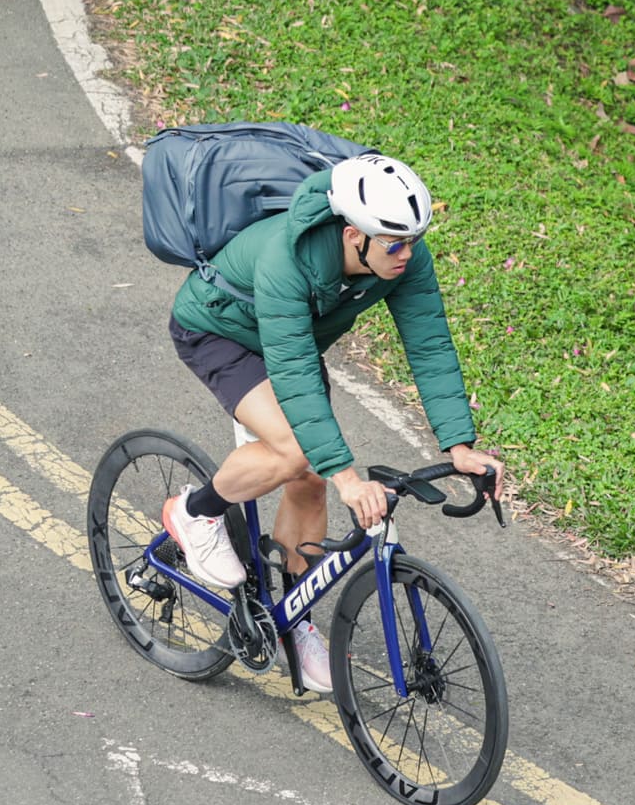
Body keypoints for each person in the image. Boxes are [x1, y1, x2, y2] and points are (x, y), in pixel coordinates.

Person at [162, 152, 506, 693]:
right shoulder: (286, 258)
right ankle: (194, 512)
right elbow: (294, 371)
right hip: (220, 332)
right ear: (353, 235)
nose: (407, 253)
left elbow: (430, 344)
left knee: (309, 479)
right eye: (394, 243)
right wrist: (348, 476)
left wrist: (459, 444)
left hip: (285, 344)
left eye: (413, 239)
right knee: (298, 453)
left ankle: (291, 621)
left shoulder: (400, 256)